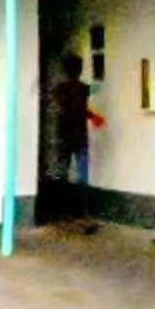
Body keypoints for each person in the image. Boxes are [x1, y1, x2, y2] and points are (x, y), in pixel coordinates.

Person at [46, 54, 104, 204]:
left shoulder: (59, 90)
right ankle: (81, 205)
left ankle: (62, 205)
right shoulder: (84, 89)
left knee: (63, 171)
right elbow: (81, 109)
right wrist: (93, 117)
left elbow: (65, 109)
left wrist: (92, 116)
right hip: (79, 135)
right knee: (82, 173)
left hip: (64, 135)